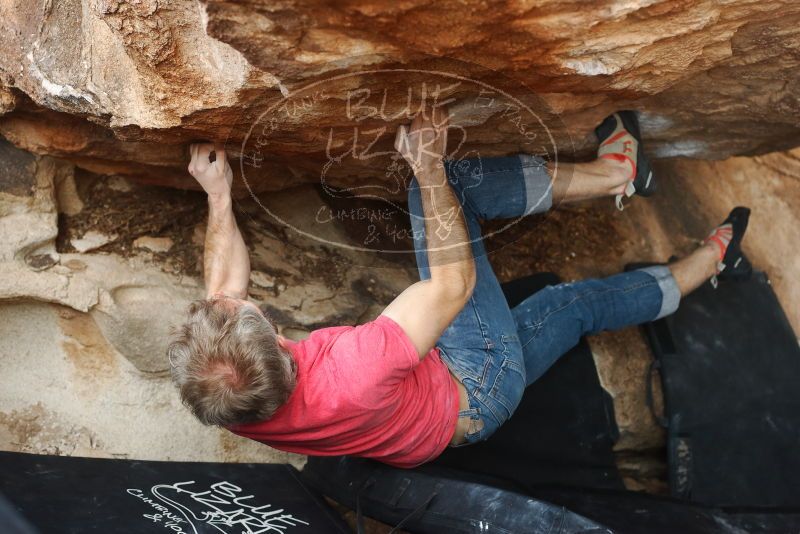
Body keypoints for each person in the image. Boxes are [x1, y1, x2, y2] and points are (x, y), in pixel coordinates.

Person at [168, 107, 751, 468]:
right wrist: (426, 167)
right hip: (475, 377)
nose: (236, 299)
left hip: (446, 427)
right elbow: (453, 284)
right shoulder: (355, 366)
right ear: (271, 338)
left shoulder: (231, 399)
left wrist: (218, 194)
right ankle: (620, 173)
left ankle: (712, 259)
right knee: (448, 187)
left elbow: (224, 290)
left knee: (564, 308)